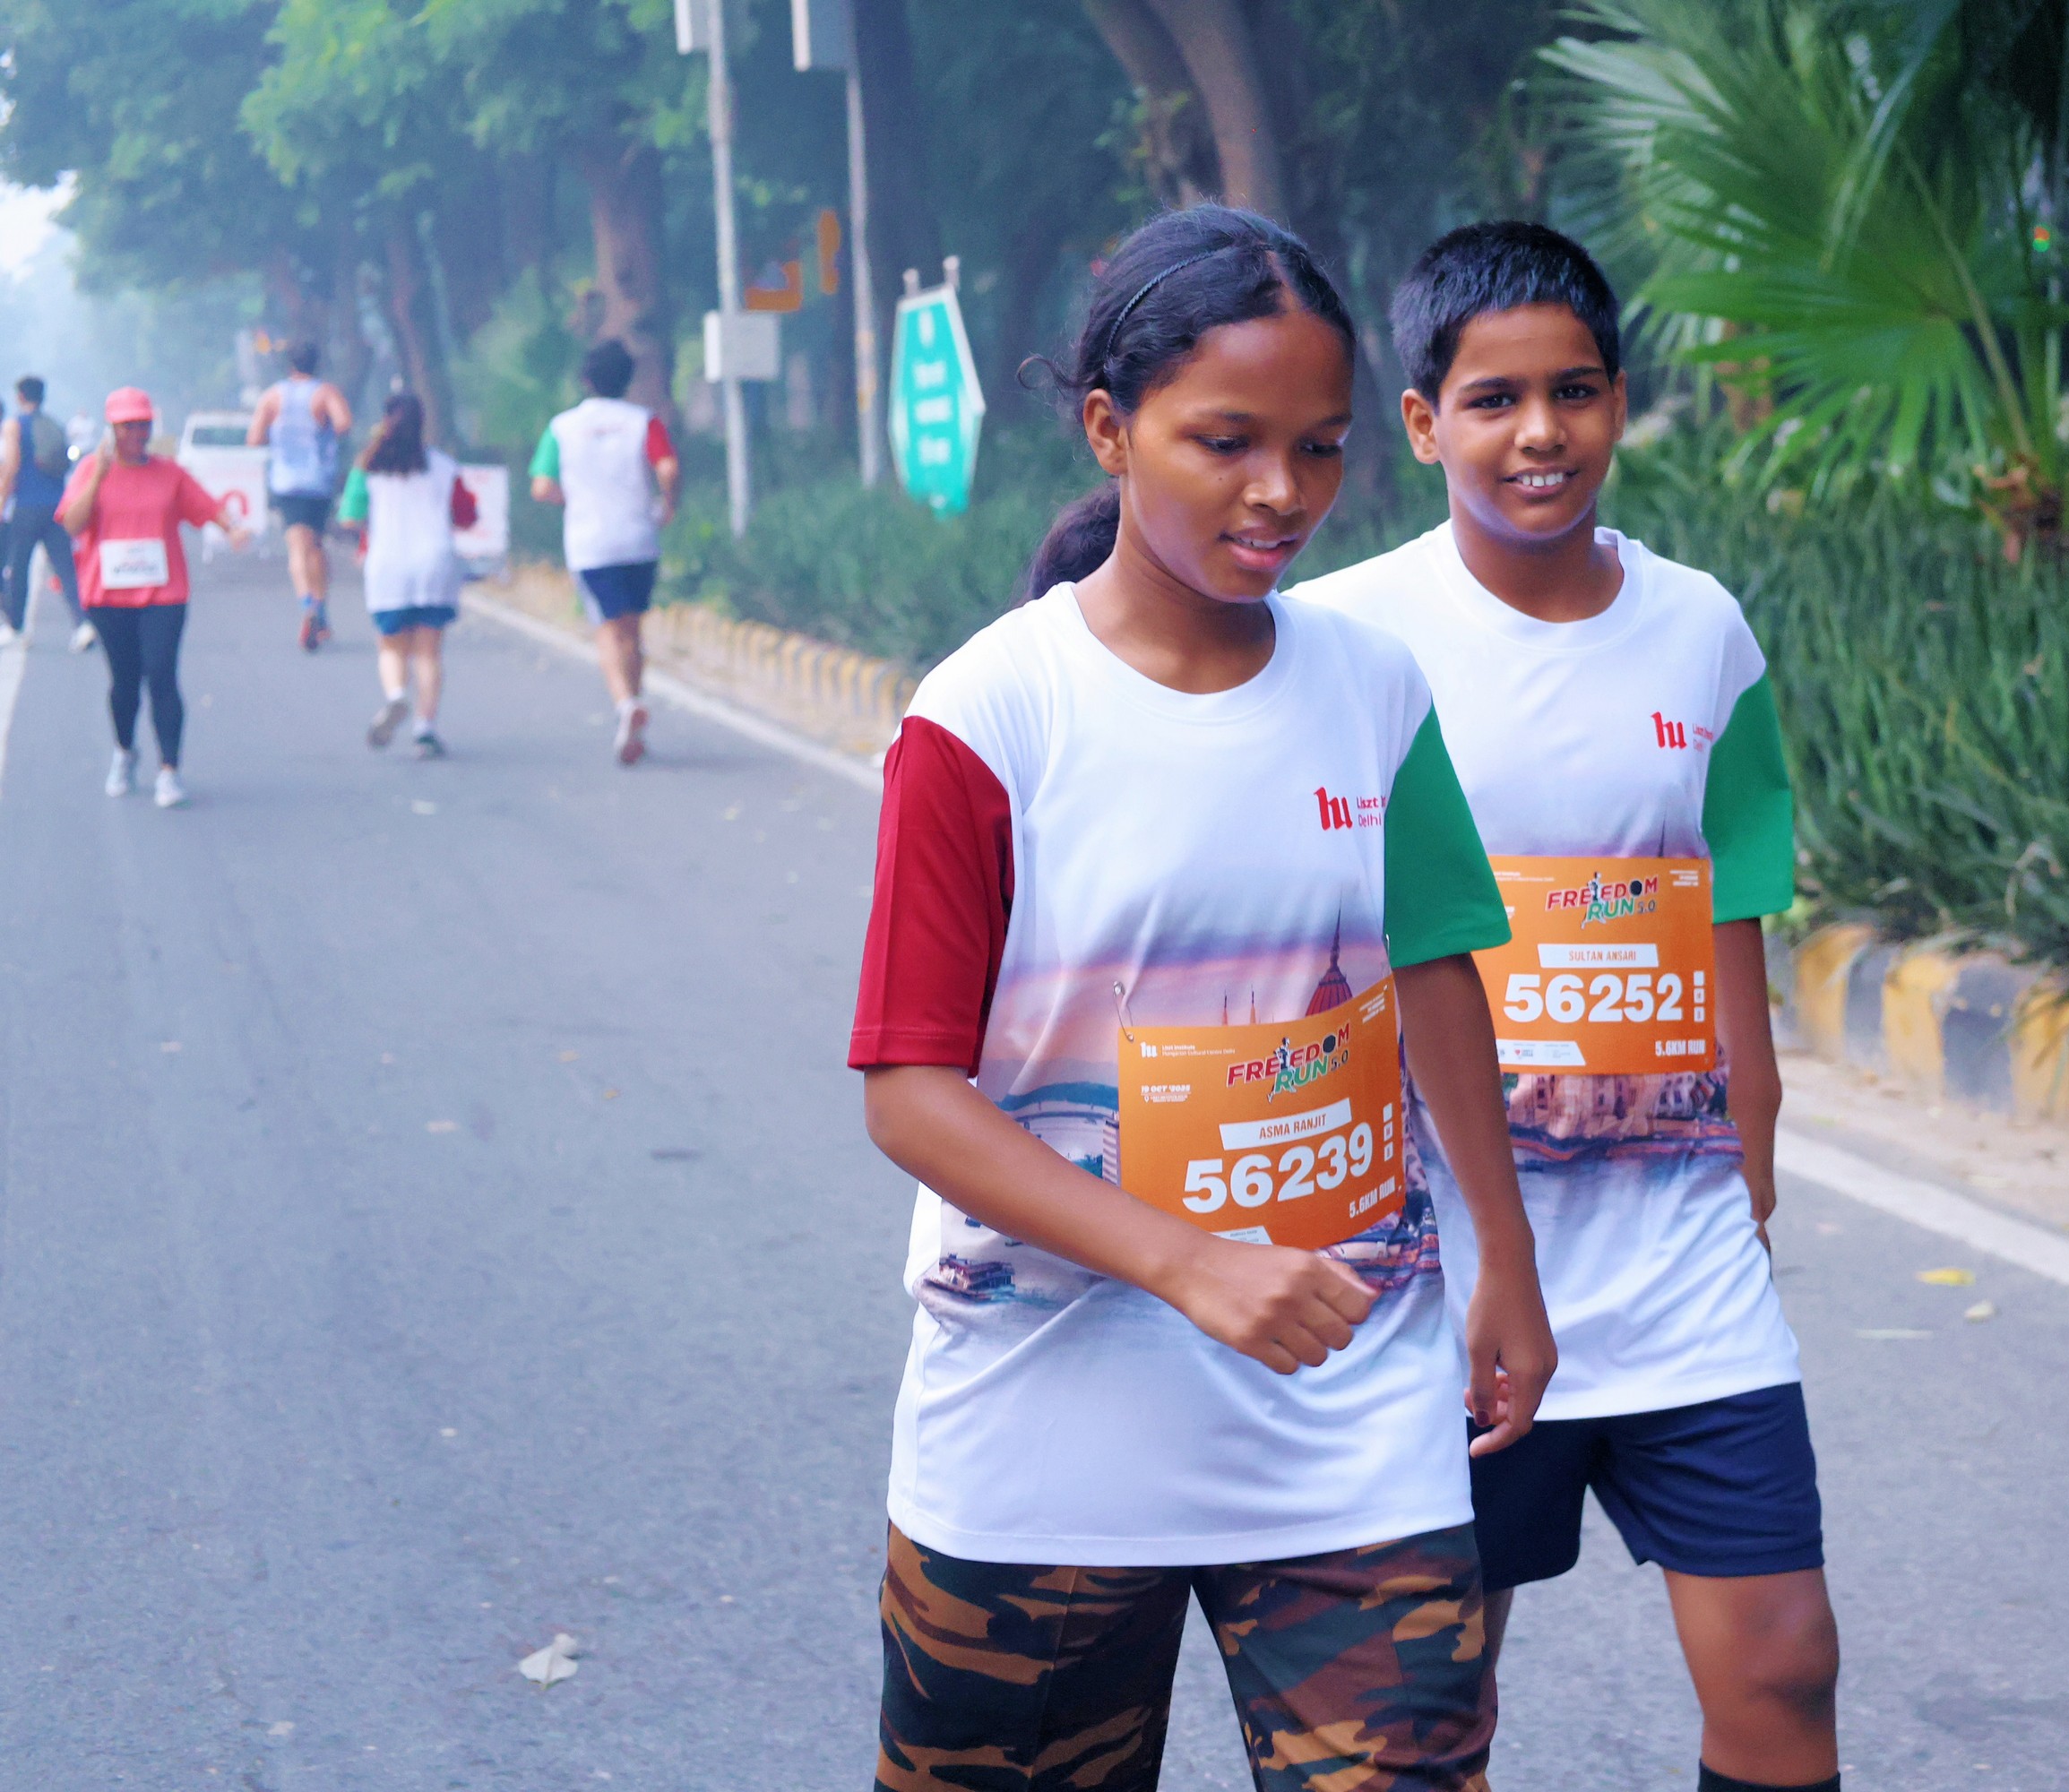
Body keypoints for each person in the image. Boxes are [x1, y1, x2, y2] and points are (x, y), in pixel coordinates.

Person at [848, 204, 1556, 1792]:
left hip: (1349, 1410)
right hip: (1042, 1437)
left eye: (1320, 447)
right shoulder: (987, 717)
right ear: (1111, 429)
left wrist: (1506, 1257)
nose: (1281, 492)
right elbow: (910, 1090)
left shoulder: (1374, 689)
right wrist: (1191, 1263)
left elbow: (1436, 966)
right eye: (1226, 442)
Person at [1294, 222, 1837, 1792]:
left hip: (1678, 1262)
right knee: (1428, 1715)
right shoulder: (1341, 644)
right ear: (1423, 423)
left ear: (1618, 402)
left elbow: (1731, 902)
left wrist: (1752, 1159)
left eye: (1575, 392)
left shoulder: (1701, 627)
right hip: (1441, 1277)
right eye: (1495, 400)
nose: (1541, 433)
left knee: (1787, 1669)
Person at [58, 386, 253, 807]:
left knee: (162, 673)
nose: (136, 433)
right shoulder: (91, 469)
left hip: (163, 594)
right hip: (109, 597)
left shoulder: (169, 473)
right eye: (127, 425)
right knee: (125, 682)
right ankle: (125, 751)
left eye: (143, 424)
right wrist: (99, 475)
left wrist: (232, 528)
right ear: (111, 429)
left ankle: (169, 770)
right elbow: (72, 523)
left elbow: (206, 506)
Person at [529, 340, 677, 766]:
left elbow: (541, 486)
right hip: (639, 539)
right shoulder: (643, 422)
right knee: (632, 630)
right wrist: (667, 504)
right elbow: (667, 467)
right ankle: (635, 709)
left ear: (586, 380)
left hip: (591, 543)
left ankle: (626, 705)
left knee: (608, 630)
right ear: (628, 379)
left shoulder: (562, 427)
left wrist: (571, 498)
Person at [335, 394, 476, 759]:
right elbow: (466, 516)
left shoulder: (368, 464)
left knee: (391, 647)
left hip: (388, 565)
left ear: (385, 420)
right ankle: (425, 729)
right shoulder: (444, 466)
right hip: (435, 565)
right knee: (428, 652)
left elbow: (349, 517)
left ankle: (396, 696)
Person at [246, 341, 353, 651]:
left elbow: (254, 438)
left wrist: (281, 436)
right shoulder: (325, 393)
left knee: (297, 546)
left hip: (286, 481)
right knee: (316, 545)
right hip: (318, 482)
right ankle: (320, 608)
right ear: (317, 363)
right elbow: (344, 423)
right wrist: (321, 433)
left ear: (289, 365)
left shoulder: (272, 396)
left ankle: (307, 604)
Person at [0, 375, 92, 651]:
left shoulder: (15, 425)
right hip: (57, 507)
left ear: (20, 396)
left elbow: (12, 466)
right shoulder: (55, 424)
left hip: (26, 507)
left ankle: (15, 627)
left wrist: (2, 501)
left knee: (19, 568)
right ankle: (82, 625)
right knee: (65, 569)